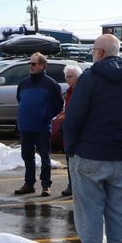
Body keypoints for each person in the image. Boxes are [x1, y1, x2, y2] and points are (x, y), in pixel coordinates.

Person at [62, 34, 122, 243]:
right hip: (120, 156)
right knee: (117, 212)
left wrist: (71, 150)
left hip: (89, 154)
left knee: (89, 213)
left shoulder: (89, 78)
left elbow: (73, 118)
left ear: (99, 52)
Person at [14, 53, 64, 196]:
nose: (31, 66)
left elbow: (58, 105)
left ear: (42, 65)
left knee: (45, 157)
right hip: (26, 127)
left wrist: (46, 116)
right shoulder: (23, 84)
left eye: (34, 64)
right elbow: (20, 100)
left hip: (41, 127)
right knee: (27, 157)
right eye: (30, 63)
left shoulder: (51, 85)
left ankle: (46, 185)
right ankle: (29, 184)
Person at [51, 64, 81, 196]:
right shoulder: (69, 91)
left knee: (77, 160)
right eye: (66, 77)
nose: (68, 79)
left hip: (78, 131)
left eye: (70, 77)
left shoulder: (81, 91)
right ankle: (71, 184)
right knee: (70, 159)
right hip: (68, 129)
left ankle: (76, 185)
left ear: (78, 77)